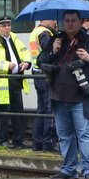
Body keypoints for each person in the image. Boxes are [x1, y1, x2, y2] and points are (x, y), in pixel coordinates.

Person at [43, 10, 89, 179]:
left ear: (80, 22)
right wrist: (52, 51)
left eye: (73, 20)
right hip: (59, 97)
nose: (70, 24)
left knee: (85, 134)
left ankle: (88, 170)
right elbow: (40, 61)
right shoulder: (56, 40)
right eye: (67, 20)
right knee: (64, 136)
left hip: (81, 98)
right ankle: (69, 169)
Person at [0, 15, 31, 148]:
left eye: (9, 25)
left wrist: (26, 63)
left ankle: (18, 141)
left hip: (16, 80)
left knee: (18, 112)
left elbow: (24, 52)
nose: (7, 28)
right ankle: (2, 141)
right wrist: (6, 66)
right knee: (2, 113)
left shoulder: (14, 37)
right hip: (2, 81)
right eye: (4, 25)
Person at [28, 19, 58, 152]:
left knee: (41, 110)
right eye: (53, 20)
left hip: (37, 74)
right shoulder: (45, 33)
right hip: (45, 75)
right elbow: (49, 53)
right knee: (49, 109)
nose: (55, 22)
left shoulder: (34, 32)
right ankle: (48, 144)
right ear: (45, 20)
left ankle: (37, 143)